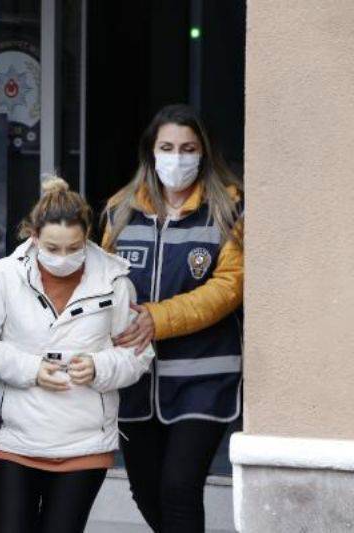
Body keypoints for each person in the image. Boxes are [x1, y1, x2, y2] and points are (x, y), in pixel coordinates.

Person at [0, 176, 155, 533]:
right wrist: (31, 369)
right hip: (13, 439)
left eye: (74, 248)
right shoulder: (3, 276)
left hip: (84, 442)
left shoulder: (114, 280)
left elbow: (138, 354)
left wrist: (101, 366)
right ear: (33, 236)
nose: (63, 258)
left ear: (87, 237)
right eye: (52, 248)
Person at [102, 104, 244, 532]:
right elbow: (101, 282)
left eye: (188, 148)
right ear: (151, 151)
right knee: (145, 489)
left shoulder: (229, 208)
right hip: (135, 378)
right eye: (167, 147)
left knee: (180, 487)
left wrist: (155, 318)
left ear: (204, 153)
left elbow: (229, 286)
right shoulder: (120, 210)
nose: (177, 157)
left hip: (204, 377)